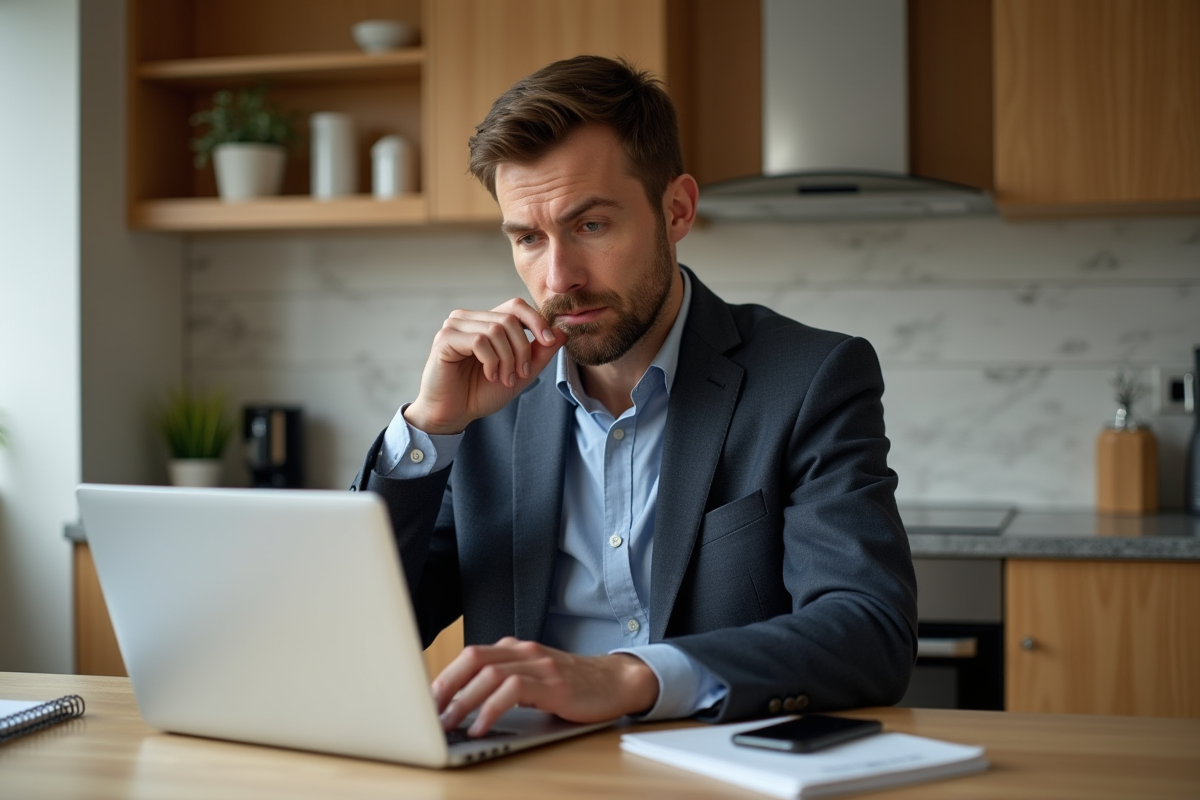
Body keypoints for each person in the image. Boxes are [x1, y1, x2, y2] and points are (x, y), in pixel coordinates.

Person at [352, 55, 917, 738]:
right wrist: (432, 428)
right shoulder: (486, 402)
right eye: (528, 238)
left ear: (676, 210)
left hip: (715, 764)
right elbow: (354, 633)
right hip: (520, 773)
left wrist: (627, 678)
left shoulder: (809, 377)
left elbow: (869, 629)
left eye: (591, 226)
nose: (559, 278)